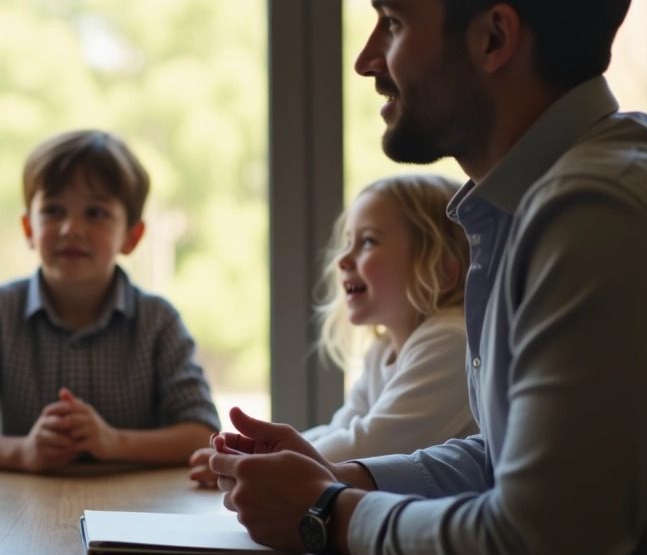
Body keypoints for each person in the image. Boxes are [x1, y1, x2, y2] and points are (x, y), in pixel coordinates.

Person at [208, 0, 647, 555]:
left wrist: (325, 516)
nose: (368, 59)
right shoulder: (540, 201)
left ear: (495, 38)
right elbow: (512, 456)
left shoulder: (598, 214)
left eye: (395, 23)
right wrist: (347, 480)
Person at [0, 129, 221, 472]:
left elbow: (204, 434)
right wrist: (23, 451)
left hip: (136, 511)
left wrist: (115, 442)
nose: (71, 228)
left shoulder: (157, 320)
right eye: (53, 210)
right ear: (29, 228)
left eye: (96, 213)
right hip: (22, 512)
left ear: (132, 236)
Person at [189, 174, 473, 487]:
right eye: (347, 243)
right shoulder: (382, 351)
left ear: (442, 270)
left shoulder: (451, 341)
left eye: (367, 241)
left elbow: (371, 444)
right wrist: (252, 452)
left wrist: (260, 462)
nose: (343, 259)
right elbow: (343, 428)